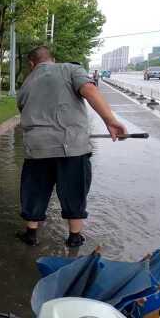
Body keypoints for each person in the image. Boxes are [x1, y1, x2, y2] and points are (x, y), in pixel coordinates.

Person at [16, 46, 127, 247]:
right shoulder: (70, 69)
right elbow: (90, 90)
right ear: (53, 59)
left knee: (34, 191)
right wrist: (109, 120)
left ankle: (31, 234)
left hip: (37, 148)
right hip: (72, 147)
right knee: (74, 191)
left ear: (32, 64)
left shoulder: (26, 84)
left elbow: (24, 111)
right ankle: (74, 237)